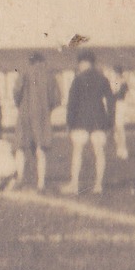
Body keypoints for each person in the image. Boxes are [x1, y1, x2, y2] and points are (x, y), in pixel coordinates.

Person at [61, 49, 114, 195]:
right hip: (99, 120)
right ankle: (98, 185)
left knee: (77, 152)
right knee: (99, 152)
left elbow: (71, 104)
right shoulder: (103, 79)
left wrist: (69, 123)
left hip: (80, 120)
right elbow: (111, 101)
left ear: (83, 63)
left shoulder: (78, 79)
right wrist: (110, 122)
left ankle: (75, 185)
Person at [11, 51, 58, 189]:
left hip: (25, 113)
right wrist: (47, 108)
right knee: (40, 147)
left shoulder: (24, 71)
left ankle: (20, 178)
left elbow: (16, 91)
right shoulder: (50, 75)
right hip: (42, 115)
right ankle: (41, 182)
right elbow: (56, 98)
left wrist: (20, 104)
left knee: (20, 146)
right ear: (42, 61)